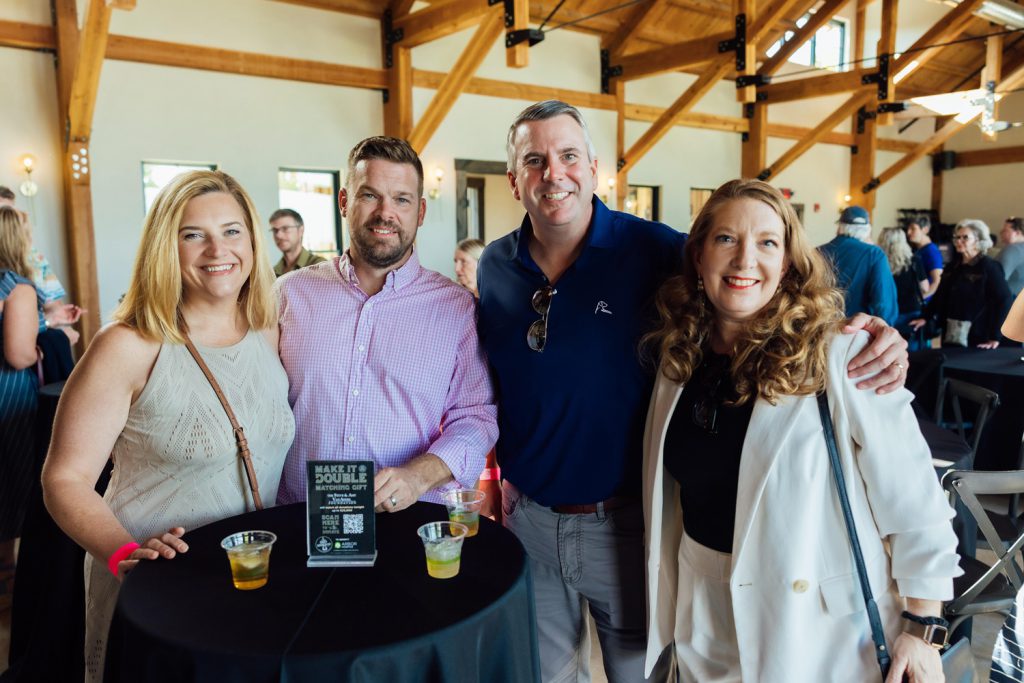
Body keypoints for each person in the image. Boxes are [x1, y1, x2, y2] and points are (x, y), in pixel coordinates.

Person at [476, 99, 910, 683]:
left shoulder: (654, 248)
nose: (554, 173)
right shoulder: (495, 266)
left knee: (642, 673)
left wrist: (861, 333)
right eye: (534, 160)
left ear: (594, 169)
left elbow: (745, 275)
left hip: (626, 527)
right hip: (528, 520)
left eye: (569, 156)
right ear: (513, 179)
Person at [642, 179, 960, 683]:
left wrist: (923, 626)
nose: (746, 259)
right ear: (699, 256)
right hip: (703, 611)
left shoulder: (842, 354)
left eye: (767, 242)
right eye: (726, 239)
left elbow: (913, 497)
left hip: (819, 630)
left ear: (788, 263)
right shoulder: (677, 360)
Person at [41, 170, 295, 682]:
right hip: (155, 586)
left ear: (252, 240)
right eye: (192, 234)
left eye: (232, 231)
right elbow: (64, 479)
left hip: (247, 577)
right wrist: (124, 555)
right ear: (165, 247)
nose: (217, 249)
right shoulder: (128, 344)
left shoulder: (266, 329)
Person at [275, 137, 496, 510]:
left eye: (401, 199)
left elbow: (476, 416)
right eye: (369, 196)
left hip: (409, 520)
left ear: (420, 211)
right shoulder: (288, 295)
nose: (385, 213)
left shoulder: (457, 310)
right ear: (344, 201)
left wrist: (418, 475)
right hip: (300, 519)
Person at [0, 206, 44, 607]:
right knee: (13, 479)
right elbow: (18, 355)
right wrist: (41, 348)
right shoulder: (16, 287)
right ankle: (9, 579)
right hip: (8, 394)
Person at [0, 186, 83, 348]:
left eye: (10, 214)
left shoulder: (34, 258)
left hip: (32, 347)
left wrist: (54, 321)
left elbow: (53, 307)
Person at [911, 219, 1013, 349]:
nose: (959, 241)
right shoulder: (953, 267)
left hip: (979, 333)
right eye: (957, 237)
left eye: (965, 237)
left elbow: (1004, 300)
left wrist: (996, 336)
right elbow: (940, 295)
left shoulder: (989, 266)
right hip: (951, 330)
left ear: (978, 240)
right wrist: (925, 317)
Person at [819, 206, 898, 324]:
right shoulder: (874, 254)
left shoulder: (816, 252)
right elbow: (884, 303)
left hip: (820, 326)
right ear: (867, 230)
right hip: (857, 328)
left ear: (840, 226)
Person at [878, 226, 929, 348]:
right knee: (913, 350)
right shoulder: (914, 260)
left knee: (890, 349)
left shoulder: (879, 262)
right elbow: (925, 287)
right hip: (912, 310)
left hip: (887, 312)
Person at [270, 207, 326, 277]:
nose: (278, 235)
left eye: (285, 228)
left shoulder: (320, 266)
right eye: (275, 230)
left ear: (301, 230)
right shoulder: (272, 273)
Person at [905, 214, 943, 302]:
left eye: (913, 228)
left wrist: (920, 299)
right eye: (908, 229)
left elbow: (937, 281)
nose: (908, 232)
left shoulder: (931, 251)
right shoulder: (918, 250)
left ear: (925, 230)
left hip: (925, 303)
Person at [997, 216, 1024, 296]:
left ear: (1017, 233)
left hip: (1009, 298)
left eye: (1005, 230)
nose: (1001, 232)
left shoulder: (1013, 249)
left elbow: (997, 279)